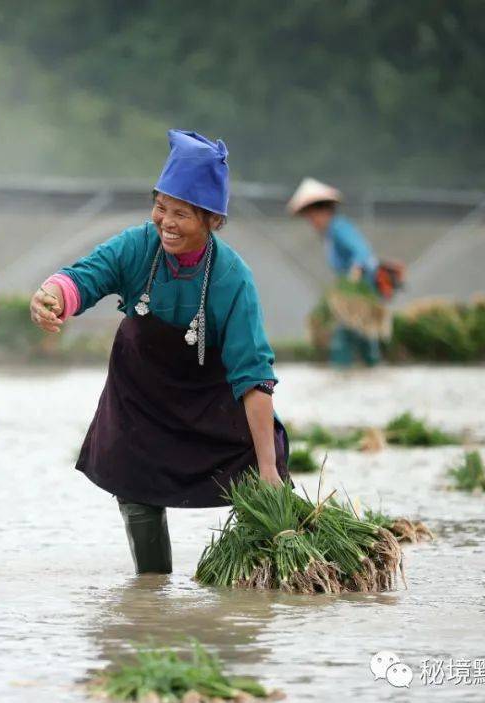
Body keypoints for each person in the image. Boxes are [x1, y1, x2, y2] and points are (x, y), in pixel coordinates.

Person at [29, 129, 290, 575]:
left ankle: (268, 576)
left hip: (208, 403)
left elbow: (253, 376)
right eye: (161, 207)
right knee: (135, 489)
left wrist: (268, 471)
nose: (165, 221)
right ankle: (152, 595)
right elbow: (86, 275)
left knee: (265, 472)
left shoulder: (232, 278)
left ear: (212, 220)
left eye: (181, 213)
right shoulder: (137, 247)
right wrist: (52, 295)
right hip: (141, 404)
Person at [286, 178, 383, 368]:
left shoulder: (338, 227)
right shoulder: (331, 232)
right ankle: (370, 369)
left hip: (358, 291)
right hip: (354, 290)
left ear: (323, 211)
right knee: (362, 335)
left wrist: (354, 275)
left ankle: (344, 372)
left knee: (344, 335)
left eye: (312, 216)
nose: (311, 221)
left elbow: (362, 252)